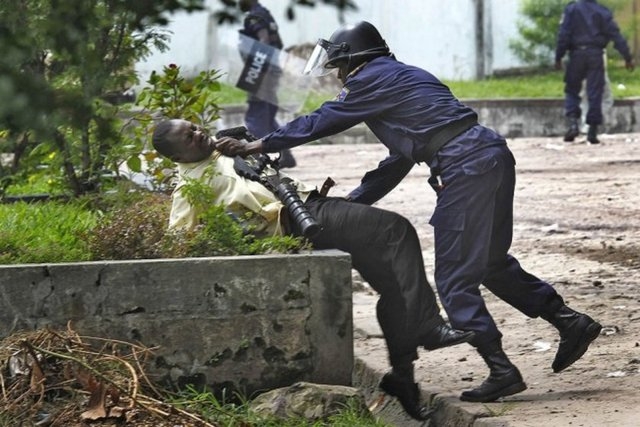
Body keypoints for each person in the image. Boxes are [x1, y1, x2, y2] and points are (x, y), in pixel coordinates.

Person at [214, 21, 604, 403]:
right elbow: (399, 159)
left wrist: (259, 145)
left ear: (354, 61)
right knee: (488, 262)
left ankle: (502, 371)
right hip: (491, 156)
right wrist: (356, 200)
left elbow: (322, 120)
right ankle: (570, 322)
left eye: (339, 69)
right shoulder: (403, 76)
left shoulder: (369, 81)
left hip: (464, 167)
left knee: (453, 279)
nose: (338, 77)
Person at [151, 118, 475, 420]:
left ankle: (402, 376)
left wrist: (242, 146)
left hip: (310, 204)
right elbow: (178, 239)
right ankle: (428, 326)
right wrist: (235, 236)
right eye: (188, 138)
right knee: (396, 229)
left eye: (194, 127)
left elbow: (266, 155)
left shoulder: (226, 147)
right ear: (177, 156)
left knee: (393, 286)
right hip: (299, 222)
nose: (198, 134)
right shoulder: (191, 187)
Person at [555, 0, 635, 144]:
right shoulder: (602, 11)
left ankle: (573, 124)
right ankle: (592, 131)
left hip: (576, 54)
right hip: (596, 55)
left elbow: (564, 34)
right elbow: (615, 35)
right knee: (595, 92)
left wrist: (558, 56)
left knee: (572, 90)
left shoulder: (572, 10)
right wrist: (627, 57)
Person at [238, 0, 296, 167]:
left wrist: (256, 70)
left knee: (256, 116)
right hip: (270, 69)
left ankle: (259, 159)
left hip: (261, 70)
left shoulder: (255, 17)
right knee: (267, 115)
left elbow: (263, 41)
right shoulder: (265, 14)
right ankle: (285, 154)